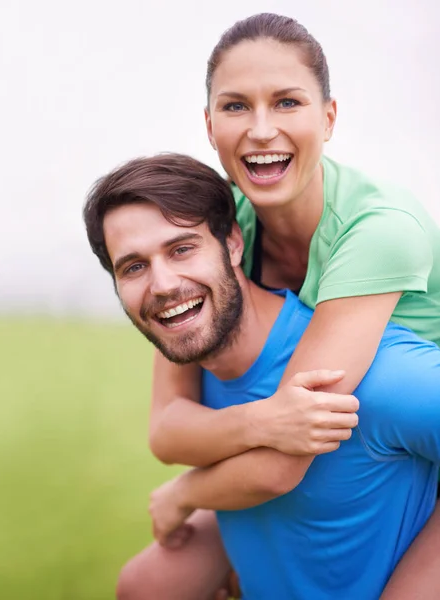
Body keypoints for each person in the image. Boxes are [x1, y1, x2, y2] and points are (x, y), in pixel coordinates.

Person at [124, 12, 440, 600]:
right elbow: (169, 428)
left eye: (287, 102)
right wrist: (262, 422)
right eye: (236, 105)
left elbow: (285, 457)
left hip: (416, 444)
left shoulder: (381, 231)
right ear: (209, 124)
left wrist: (186, 493)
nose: (261, 129)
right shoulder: (223, 229)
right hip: (329, 435)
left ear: (328, 118)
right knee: (147, 583)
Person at [83, 153, 440, 599]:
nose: (163, 285)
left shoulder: (373, 376)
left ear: (234, 243)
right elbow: (168, 433)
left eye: (182, 249)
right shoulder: (198, 367)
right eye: (133, 267)